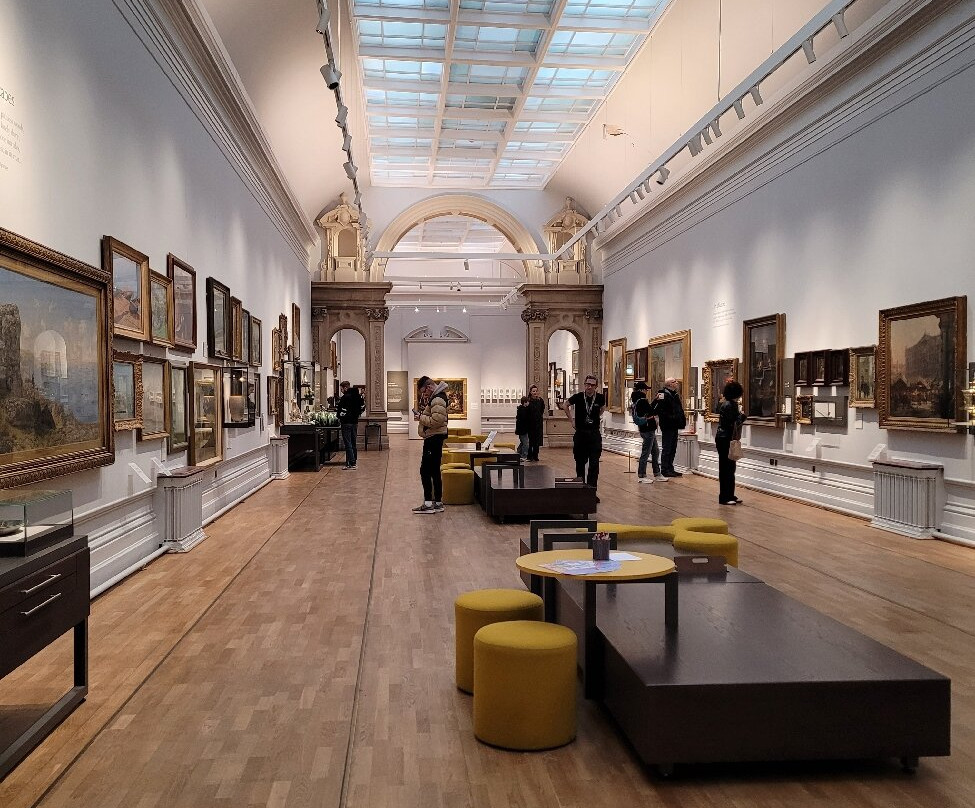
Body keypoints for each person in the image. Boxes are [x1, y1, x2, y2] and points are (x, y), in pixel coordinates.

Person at [562, 375, 605, 501]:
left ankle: (591, 492)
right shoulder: (578, 397)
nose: (589, 387)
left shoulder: (600, 398)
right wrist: (572, 420)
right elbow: (565, 405)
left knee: (594, 464)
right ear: (584, 385)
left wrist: (595, 417)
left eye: (592, 385)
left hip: (594, 434)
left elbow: (602, 408)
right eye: (587, 384)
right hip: (581, 434)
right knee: (580, 463)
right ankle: (581, 490)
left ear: (596, 386)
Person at [412, 375, 449, 514]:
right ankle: (437, 503)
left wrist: (420, 417)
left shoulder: (437, 399)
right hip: (435, 438)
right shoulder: (438, 397)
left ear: (428, 387)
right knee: (434, 470)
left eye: (424, 392)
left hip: (433, 438)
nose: (424, 395)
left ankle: (428, 504)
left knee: (425, 470)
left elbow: (437, 421)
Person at [716, 380, 746, 505]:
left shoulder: (728, 404)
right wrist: (742, 416)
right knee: (726, 468)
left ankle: (730, 495)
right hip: (725, 438)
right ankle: (724, 497)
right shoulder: (729, 405)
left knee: (729, 468)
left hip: (724, 437)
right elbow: (732, 423)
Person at [630, 381, 665, 483]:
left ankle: (657, 473)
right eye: (646, 389)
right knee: (646, 452)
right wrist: (658, 403)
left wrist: (655, 401)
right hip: (648, 429)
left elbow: (648, 409)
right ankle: (642, 475)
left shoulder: (637, 400)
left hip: (645, 428)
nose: (646, 391)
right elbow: (652, 412)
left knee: (655, 451)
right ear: (641, 390)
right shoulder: (642, 401)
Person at [652, 377, 687, 477]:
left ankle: (670, 468)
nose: (676, 383)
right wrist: (672, 417)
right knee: (667, 448)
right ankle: (664, 469)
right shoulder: (662, 394)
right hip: (667, 425)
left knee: (673, 448)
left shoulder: (674, 394)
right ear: (669, 384)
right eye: (674, 382)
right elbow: (660, 410)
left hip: (674, 424)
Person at [336, 381, 366, 470]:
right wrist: (356, 414)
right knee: (353, 442)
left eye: (341, 389)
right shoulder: (358, 397)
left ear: (345, 388)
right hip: (355, 422)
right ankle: (354, 460)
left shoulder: (345, 398)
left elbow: (340, 410)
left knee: (347, 443)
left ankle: (351, 463)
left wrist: (341, 416)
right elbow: (362, 407)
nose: (341, 391)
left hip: (346, 422)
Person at [526, 384, 546, 461]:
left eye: (536, 391)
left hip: (538, 423)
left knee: (537, 441)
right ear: (530, 392)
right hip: (530, 423)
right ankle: (529, 456)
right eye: (533, 391)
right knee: (530, 440)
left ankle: (535, 455)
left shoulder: (540, 400)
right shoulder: (528, 401)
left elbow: (542, 409)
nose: (535, 392)